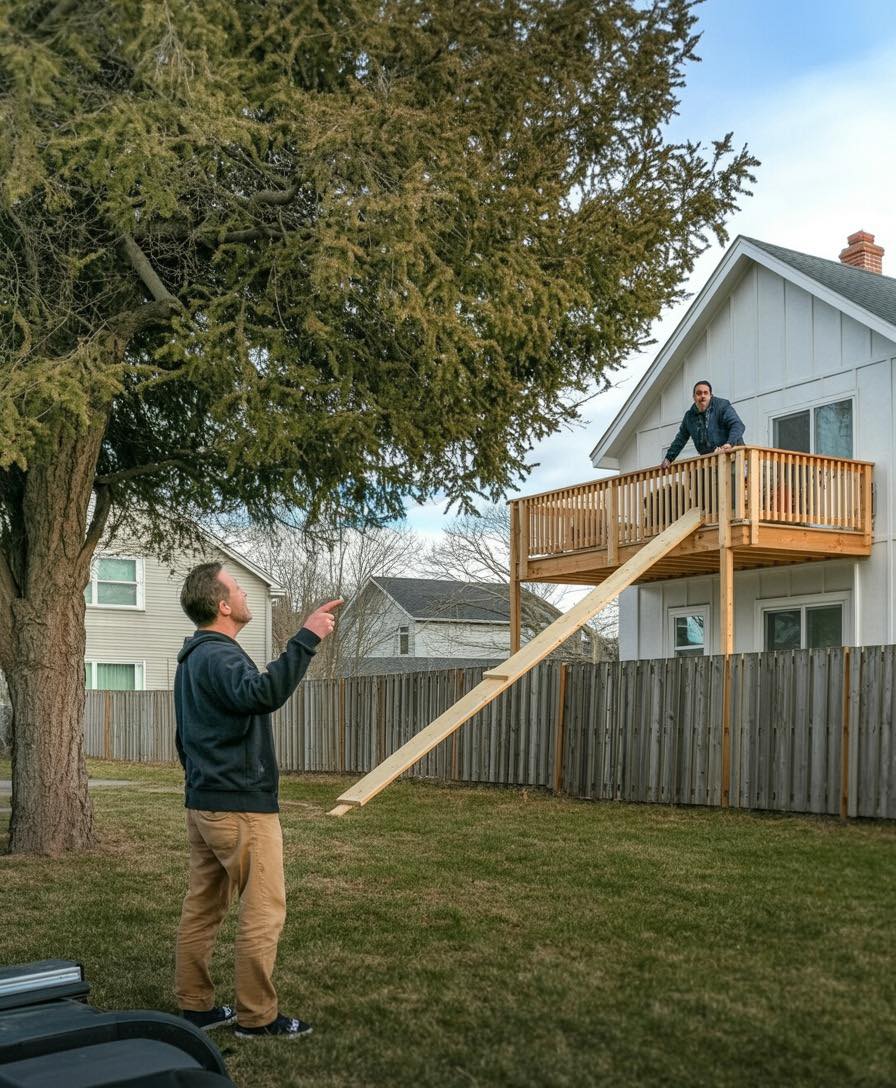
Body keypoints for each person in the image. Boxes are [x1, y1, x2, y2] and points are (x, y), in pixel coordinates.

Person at [174, 561, 342, 1040]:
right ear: (223, 605)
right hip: (239, 807)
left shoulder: (194, 658)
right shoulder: (220, 655)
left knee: (203, 907)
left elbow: (184, 737)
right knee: (263, 909)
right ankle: (257, 1017)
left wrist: (200, 786)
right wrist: (306, 637)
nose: (247, 596)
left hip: (205, 803)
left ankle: (196, 1008)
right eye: (239, 589)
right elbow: (262, 693)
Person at [660, 380, 745, 468]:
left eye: (705, 393)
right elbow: (680, 439)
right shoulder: (689, 417)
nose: (702, 396)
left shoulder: (722, 406)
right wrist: (668, 458)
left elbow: (737, 425)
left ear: (710, 396)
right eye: (699, 393)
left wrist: (729, 444)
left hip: (733, 457)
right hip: (710, 463)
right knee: (694, 477)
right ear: (694, 397)